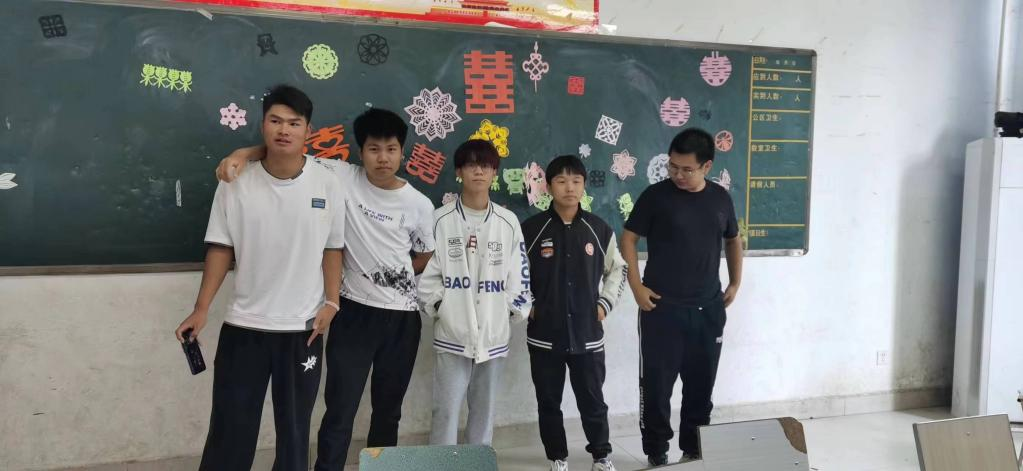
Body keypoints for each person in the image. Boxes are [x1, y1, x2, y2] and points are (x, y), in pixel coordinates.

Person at [215, 108, 436, 470]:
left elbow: (425, 254)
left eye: (391, 149)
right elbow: (286, 149)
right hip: (353, 313)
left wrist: (393, 275)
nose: (383, 158)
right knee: (340, 408)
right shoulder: (340, 176)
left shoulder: (419, 204)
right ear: (360, 152)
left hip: (402, 320)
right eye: (374, 149)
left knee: (388, 409)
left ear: (403, 153)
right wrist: (242, 153)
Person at [175, 84, 345, 470]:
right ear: (263, 125)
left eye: (294, 123)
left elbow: (332, 248)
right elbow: (221, 248)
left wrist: (332, 302)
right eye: (275, 121)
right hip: (244, 327)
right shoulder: (235, 182)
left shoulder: (328, 182)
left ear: (308, 130)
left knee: (294, 435)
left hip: (302, 330)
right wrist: (201, 309)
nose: (284, 130)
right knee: (230, 432)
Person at [620, 128, 744, 466]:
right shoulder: (656, 196)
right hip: (661, 308)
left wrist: (735, 282)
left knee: (701, 387)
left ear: (707, 166)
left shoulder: (720, 198)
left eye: (686, 169)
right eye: (672, 166)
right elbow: (628, 238)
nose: (677, 174)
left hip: (708, 309)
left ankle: (694, 450)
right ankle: (656, 452)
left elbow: (733, 239)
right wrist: (636, 286)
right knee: (657, 387)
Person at [417, 139, 533, 446]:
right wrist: (443, 308)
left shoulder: (508, 222)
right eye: (470, 165)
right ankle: (443, 466)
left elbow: (520, 275)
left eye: (485, 165)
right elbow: (427, 276)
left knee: (484, 412)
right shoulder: (440, 219)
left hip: (493, 334)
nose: (478, 171)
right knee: (445, 411)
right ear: (459, 172)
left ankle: (476, 463)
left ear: (494, 172)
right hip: (452, 334)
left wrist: (506, 312)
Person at [521, 155, 628, 471]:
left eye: (576, 181)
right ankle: (558, 458)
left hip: (587, 334)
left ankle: (601, 456)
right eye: (561, 181)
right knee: (548, 402)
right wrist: (528, 306)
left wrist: (604, 304)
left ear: (583, 186)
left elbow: (618, 270)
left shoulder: (599, 229)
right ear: (548, 186)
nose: (569, 187)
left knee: (593, 401)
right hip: (545, 335)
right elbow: (514, 273)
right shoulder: (531, 229)